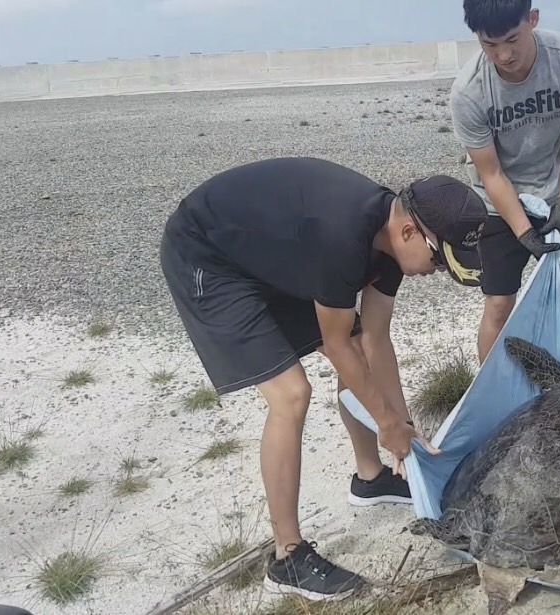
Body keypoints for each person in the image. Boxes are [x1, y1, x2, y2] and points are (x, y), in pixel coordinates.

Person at [159, 157, 488, 601]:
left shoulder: (391, 235)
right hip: (206, 254)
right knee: (292, 394)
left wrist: (402, 428)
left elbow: (374, 339)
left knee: (357, 347)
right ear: (411, 232)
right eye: (439, 260)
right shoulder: (343, 238)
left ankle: (371, 478)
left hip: (266, 254)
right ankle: (287, 558)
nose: (437, 272)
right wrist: (386, 423)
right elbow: (336, 347)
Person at [450, 0, 560, 364]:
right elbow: (491, 173)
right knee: (499, 303)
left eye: (512, 39)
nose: (503, 55)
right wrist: (523, 232)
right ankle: (490, 389)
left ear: (532, 19)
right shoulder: (469, 91)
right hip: (498, 204)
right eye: (489, 44)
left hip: (556, 191)